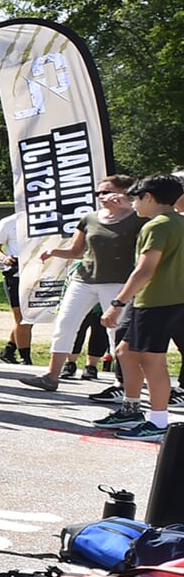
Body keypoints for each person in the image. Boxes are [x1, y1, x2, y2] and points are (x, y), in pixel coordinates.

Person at [21, 175, 145, 391]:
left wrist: (129, 206)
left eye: (106, 192)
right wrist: (54, 252)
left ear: (124, 193)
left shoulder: (137, 218)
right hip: (84, 281)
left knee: (115, 331)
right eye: (98, 193)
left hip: (117, 283)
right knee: (65, 324)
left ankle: (123, 381)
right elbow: (77, 251)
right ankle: (51, 376)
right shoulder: (90, 218)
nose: (101, 197)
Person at [98, 174, 184, 440]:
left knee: (152, 360)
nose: (132, 203)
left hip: (156, 301)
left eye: (135, 198)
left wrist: (117, 303)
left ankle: (158, 423)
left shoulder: (156, 226)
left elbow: (144, 270)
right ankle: (131, 408)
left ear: (149, 197)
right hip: (171, 300)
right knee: (125, 350)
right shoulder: (179, 222)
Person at [0, 208, 34, 364]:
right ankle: (25, 358)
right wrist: (4, 258)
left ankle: (8, 351)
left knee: (31, 317)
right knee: (22, 318)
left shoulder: (51, 220)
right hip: (16, 275)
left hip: (40, 274)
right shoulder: (9, 222)